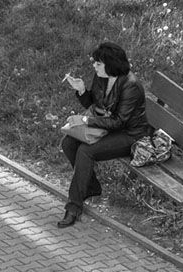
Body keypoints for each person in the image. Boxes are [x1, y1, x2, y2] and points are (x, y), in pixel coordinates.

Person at [58, 42, 149, 228]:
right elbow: (95, 104)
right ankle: (90, 186)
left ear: (111, 64)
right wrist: (82, 90)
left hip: (130, 135)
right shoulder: (101, 77)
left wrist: (84, 121)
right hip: (108, 128)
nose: (94, 66)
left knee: (85, 150)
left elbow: (119, 122)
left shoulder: (131, 85)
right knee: (68, 143)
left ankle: (73, 207)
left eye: (98, 63)